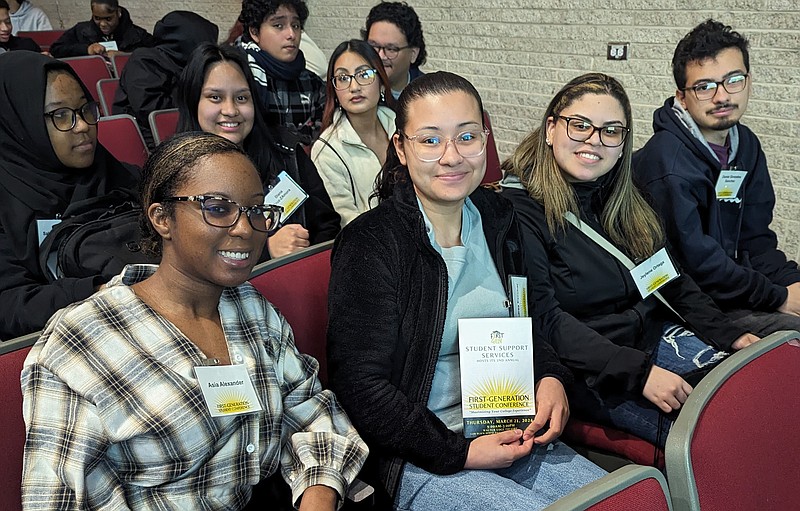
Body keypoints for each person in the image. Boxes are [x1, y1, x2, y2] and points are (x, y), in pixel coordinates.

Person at [21, 131, 368, 510]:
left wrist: (318, 495)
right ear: (162, 218)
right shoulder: (82, 342)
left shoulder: (251, 308)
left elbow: (314, 414)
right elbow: (61, 500)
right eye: (217, 208)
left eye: (256, 210)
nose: (244, 228)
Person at [327, 71, 605, 509]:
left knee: (626, 501)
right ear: (401, 148)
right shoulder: (372, 242)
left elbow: (525, 317)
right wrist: (459, 452)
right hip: (422, 453)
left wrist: (550, 376)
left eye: (467, 137)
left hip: (509, 427)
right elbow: (361, 387)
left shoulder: (497, 216)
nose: (452, 156)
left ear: (486, 140)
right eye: (430, 140)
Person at [500, 72, 760, 447]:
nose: (594, 140)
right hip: (594, 369)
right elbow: (545, 319)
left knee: (760, 398)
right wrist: (641, 375)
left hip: (655, 337)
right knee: (718, 438)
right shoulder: (518, 210)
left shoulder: (621, 196)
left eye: (611, 131)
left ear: (623, 143)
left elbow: (670, 278)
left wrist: (728, 333)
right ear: (551, 128)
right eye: (580, 125)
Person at [634, 20, 800, 336]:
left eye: (733, 80)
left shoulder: (745, 145)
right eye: (705, 86)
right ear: (682, 97)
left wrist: (791, 282)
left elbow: (756, 239)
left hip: (732, 288)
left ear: (749, 81)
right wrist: (778, 297)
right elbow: (697, 265)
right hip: (684, 303)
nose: (721, 97)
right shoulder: (667, 162)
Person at [0, 51, 139, 339]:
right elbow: (9, 305)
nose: (83, 126)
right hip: (67, 341)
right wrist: (99, 292)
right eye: (61, 115)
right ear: (20, 122)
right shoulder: (7, 200)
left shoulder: (124, 176)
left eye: (86, 109)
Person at [176, 43, 340, 258]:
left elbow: (327, 226)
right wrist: (265, 252)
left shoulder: (286, 153)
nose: (231, 110)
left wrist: (303, 259)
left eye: (241, 98)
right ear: (193, 101)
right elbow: (186, 256)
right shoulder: (176, 172)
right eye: (215, 97)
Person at [311, 39, 396, 227]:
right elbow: (347, 222)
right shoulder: (327, 150)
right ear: (334, 91)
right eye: (343, 78)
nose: (354, 86)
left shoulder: (400, 126)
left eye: (363, 74)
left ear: (381, 82)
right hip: (370, 246)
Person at [113, 10, 218, 148]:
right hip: (150, 141)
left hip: (190, 134)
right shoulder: (144, 61)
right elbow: (155, 111)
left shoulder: (191, 65)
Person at [238, 0, 325, 144]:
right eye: (278, 25)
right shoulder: (240, 76)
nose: (291, 34)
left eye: (296, 26)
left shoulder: (312, 83)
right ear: (255, 32)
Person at [362, 1, 426, 99]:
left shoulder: (428, 95)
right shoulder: (354, 88)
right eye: (373, 46)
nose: (380, 56)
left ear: (413, 54)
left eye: (390, 49)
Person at [49, 0, 155, 58]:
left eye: (108, 18)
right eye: (97, 18)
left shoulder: (137, 35)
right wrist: (86, 49)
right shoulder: (81, 30)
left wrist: (125, 57)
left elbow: (158, 54)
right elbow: (56, 49)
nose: (103, 24)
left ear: (118, 13)